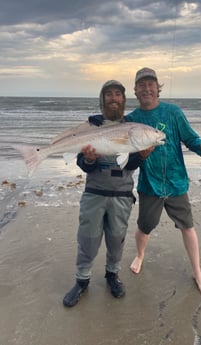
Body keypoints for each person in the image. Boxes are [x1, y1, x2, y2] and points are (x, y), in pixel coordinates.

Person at [126, 67, 201, 296]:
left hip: (176, 183)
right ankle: (140, 255)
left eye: (150, 85)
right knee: (144, 228)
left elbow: (191, 139)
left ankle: (197, 271)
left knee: (188, 227)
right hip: (149, 185)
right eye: (142, 85)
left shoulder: (173, 113)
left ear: (157, 88)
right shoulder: (131, 119)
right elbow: (127, 156)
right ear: (135, 91)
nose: (147, 89)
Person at [63, 80, 144, 307]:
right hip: (94, 192)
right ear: (103, 99)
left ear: (123, 100)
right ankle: (82, 280)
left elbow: (132, 164)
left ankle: (112, 275)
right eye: (108, 94)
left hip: (122, 194)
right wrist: (88, 159)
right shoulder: (92, 125)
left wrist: (143, 155)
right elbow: (82, 163)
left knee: (116, 240)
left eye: (118, 94)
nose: (113, 98)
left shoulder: (133, 127)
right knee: (87, 239)